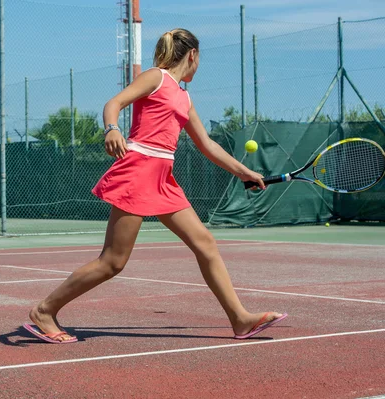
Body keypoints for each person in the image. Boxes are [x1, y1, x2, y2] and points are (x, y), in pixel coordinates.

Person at [23, 28, 287, 344]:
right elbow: (114, 102)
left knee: (205, 243)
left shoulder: (184, 97)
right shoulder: (156, 78)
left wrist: (244, 171)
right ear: (193, 55)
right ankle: (45, 310)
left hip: (163, 177)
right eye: (199, 59)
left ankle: (240, 319)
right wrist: (111, 130)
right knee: (112, 262)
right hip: (138, 171)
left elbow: (206, 144)